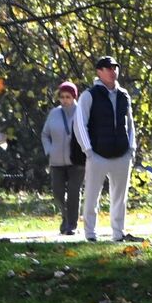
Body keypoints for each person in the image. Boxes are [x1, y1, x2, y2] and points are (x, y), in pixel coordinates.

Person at [74, 55, 143, 243]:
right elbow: (80, 123)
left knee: (120, 197)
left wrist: (131, 148)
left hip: (122, 154)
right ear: (99, 71)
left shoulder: (124, 95)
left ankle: (118, 233)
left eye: (115, 68)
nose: (113, 71)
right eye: (108, 68)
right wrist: (88, 151)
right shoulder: (89, 95)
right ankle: (90, 233)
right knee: (92, 195)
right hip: (97, 154)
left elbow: (130, 123)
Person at [40, 82, 86, 236]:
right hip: (56, 161)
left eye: (68, 97)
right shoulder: (54, 113)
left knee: (74, 192)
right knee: (58, 193)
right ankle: (65, 218)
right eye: (62, 97)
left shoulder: (82, 112)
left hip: (77, 161)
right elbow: (45, 134)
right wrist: (49, 149)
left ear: (74, 97)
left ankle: (71, 225)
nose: (65, 100)